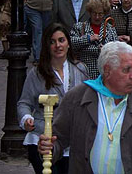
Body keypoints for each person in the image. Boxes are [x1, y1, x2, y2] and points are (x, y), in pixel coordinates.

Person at [37, 42, 132, 174]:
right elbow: (57, 140)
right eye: (126, 70)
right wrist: (48, 148)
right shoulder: (77, 99)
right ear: (107, 71)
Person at [17, 23, 89, 174]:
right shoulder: (36, 73)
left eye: (61, 40)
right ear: (47, 46)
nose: (58, 45)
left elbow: (87, 102)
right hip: (43, 139)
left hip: (72, 142)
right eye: (52, 42)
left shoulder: (80, 70)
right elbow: (24, 103)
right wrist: (26, 119)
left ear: (68, 43)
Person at [69, 0, 119, 78]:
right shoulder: (79, 27)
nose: (97, 17)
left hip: (104, 74)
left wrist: (106, 49)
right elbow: (71, 43)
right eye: (94, 13)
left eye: (100, 14)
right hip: (84, 73)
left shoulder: (110, 28)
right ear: (89, 12)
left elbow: (116, 49)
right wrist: (88, 39)